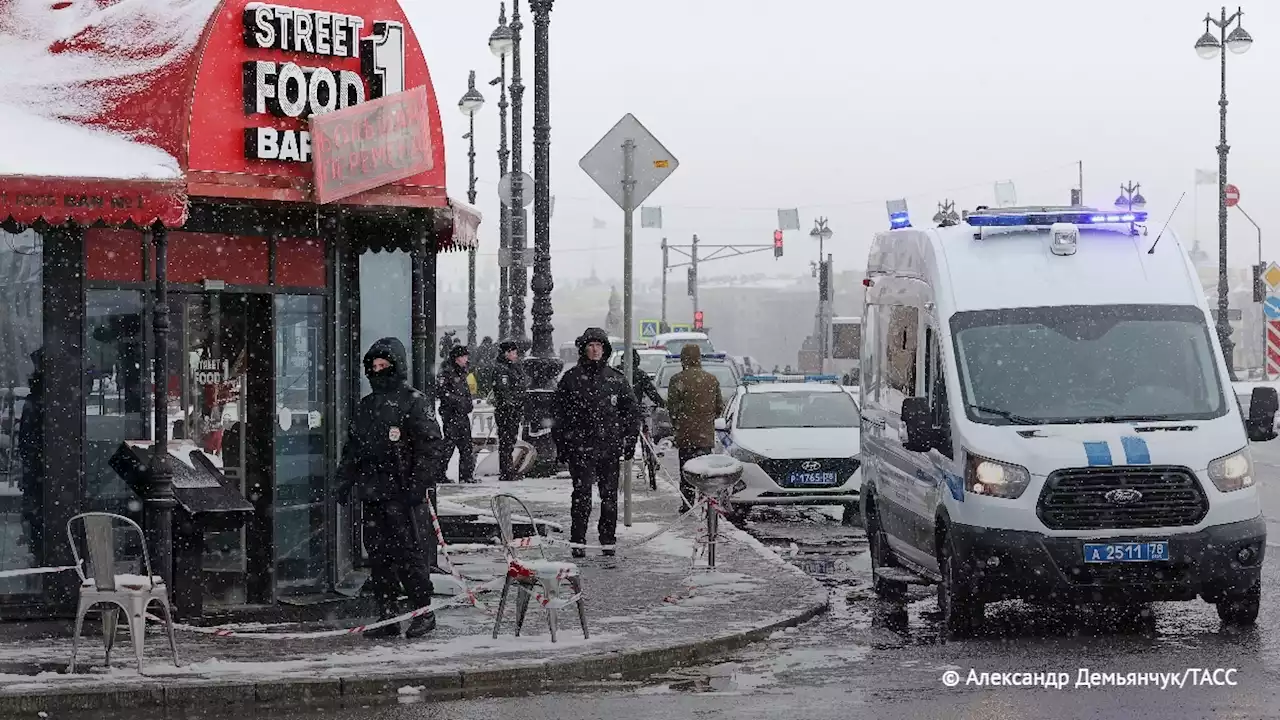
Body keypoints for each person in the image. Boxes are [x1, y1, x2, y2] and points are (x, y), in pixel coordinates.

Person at [336, 337, 443, 639]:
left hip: (402, 495)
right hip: (373, 494)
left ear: (396, 367)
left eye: (384, 366)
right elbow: (353, 448)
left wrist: (418, 485)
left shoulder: (414, 401)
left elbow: (431, 447)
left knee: (409, 555)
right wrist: (343, 481)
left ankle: (422, 611)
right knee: (379, 557)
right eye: (373, 367)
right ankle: (387, 614)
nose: (378, 371)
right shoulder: (367, 406)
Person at [553, 328, 640, 559]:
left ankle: (607, 540)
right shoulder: (571, 379)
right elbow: (559, 415)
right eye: (591, 345)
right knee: (581, 496)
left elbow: (631, 412)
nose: (595, 350)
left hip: (608, 448)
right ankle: (578, 539)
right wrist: (562, 445)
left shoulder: (615, 379)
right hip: (579, 448)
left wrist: (630, 439)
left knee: (609, 496)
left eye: (599, 346)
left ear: (605, 349)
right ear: (584, 348)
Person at [666, 344, 725, 512]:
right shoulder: (711, 379)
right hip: (705, 435)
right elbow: (719, 407)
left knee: (686, 470)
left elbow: (672, 408)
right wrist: (706, 420)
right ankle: (707, 501)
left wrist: (678, 424)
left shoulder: (677, 380)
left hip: (685, 434)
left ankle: (687, 502)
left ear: (683, 359)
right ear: (699, 358)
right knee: (705, 471)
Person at [623, 349, 664, 488]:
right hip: (635, 413)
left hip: (621, 414)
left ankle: (626, 457)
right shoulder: (640, 375)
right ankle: (647, 459)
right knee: (642, 433)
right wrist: (661, 403)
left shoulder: (617, 374)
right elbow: (652, 393)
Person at [436, 345, 476, 484]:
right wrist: (459, 402)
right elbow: (442, 393)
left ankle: (466, 475)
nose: (466, 359)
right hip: (451, 414)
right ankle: (439, 473)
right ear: (457, 358)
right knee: (448, 446)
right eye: (464, 356)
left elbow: (465, 392)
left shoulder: (462, 372)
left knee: (466, 446)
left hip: (462, 414)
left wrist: (467, 404)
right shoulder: (446, 372)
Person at [491, 340, 528, 483]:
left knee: (510, 441)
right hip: (506, 411)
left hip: (514, 410)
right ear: (506, 353)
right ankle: (506, 471)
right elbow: (503, 390)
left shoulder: (514, 367)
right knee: (506, 442)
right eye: (513, 352)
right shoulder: (501, 369)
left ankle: (508, 469)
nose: (515, 355)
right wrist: (511, 404)